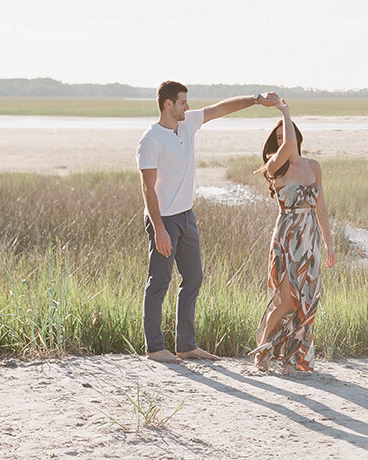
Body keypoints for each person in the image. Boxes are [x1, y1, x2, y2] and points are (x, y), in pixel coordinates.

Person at [137, 81, 280, 364]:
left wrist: (256, 99)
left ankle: (186, 345)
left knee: (193, 278)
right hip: (163, 219)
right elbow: (147, 189)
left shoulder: (187, 123)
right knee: (160, 281)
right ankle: (155, 348)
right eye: (182, 102)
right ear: (168, 104)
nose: (187, 107)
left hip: (186, 216)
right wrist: (160, 229)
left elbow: (220, 108)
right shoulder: (150, 139)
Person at [250, 93, 334, 373]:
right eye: (275, 139)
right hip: (286, 240)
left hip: (309, 239)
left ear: (297, 134)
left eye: (283, 135)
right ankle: (261, 353)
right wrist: (284, 112)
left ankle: (291, 359)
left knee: (306, 301)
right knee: (284, 300)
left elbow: (320, 206)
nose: (280, 142)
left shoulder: (313, 167)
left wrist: (328, 244)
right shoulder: (275, 167)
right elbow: (286, 146)